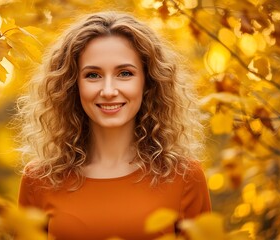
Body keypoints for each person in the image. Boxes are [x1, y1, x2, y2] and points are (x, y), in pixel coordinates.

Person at [17, 11, 211, 239]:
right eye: (93, 75)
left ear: (148, 81)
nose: (108, 91)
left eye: (125, 73)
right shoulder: (39, 180)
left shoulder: (184, 177)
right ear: (72, 84)